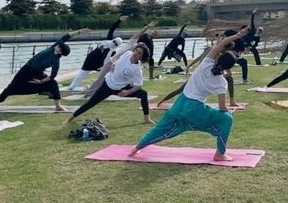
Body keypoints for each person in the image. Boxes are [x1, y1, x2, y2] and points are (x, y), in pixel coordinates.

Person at [128, 27, 249, 161]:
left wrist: (237, 35)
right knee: (226, 119)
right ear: (229, 67)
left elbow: (220, 45)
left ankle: (137, 148)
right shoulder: (221, 83)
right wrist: (229, 112)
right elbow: (222, 108)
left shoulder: (206, 63)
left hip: (180, 103)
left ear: (219, 57)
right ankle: (220, 154)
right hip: (195, 111)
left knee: (161, 128)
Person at [64, 35, 156, 125]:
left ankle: (147, 119)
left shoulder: (136, 69)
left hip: (121, 88)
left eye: (139, 53)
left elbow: (139, 85)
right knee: (91, 103)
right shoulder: (127, 54)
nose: (136, 53)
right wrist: (113, 62)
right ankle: (71, 118)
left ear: (141, 57)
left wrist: (128, 92)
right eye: (136, 51)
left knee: (143, 94)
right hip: (107, 85)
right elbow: (117, 56)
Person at [0, 28, 91, 111]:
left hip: (37, 73)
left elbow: (53, 76)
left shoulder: (55, 61)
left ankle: (58, 106)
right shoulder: (52, 48)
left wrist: (41, 81)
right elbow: (66, 37)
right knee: (10, 88)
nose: (57, 45)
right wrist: (79, 31)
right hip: (26, 70)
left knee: (53, 83)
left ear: (60, 51)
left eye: (59, 46)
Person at [68, 16, 127, 91]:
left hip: (97, 63)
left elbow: (106, 61)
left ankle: (107, 86)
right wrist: (119, 20)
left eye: (115, 44)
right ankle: (71, 88)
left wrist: (103, 67)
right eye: (114, 42)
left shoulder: (112, 50)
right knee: (81, 75)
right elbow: (112, 29)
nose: (113, 44)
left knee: (108, 73)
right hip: (90, 61)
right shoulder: (109, 44)